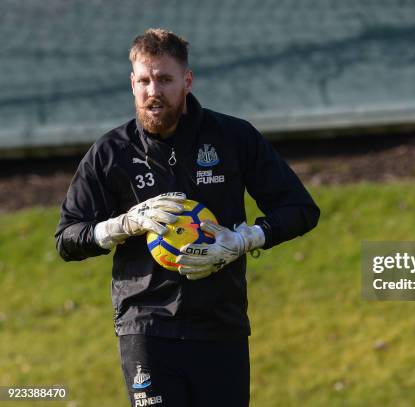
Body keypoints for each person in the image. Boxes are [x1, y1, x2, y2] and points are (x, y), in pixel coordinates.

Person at [55, 28, 319, 407]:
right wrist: (122, 225)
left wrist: (244, 239)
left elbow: (300, 209)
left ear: (187, 81)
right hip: (146, 327)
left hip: (221, 326)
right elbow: (67, 238)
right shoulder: (110, 153)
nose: (153, 91)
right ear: (132, 84)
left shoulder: (233, 137)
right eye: (143, 81)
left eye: (164, 79)